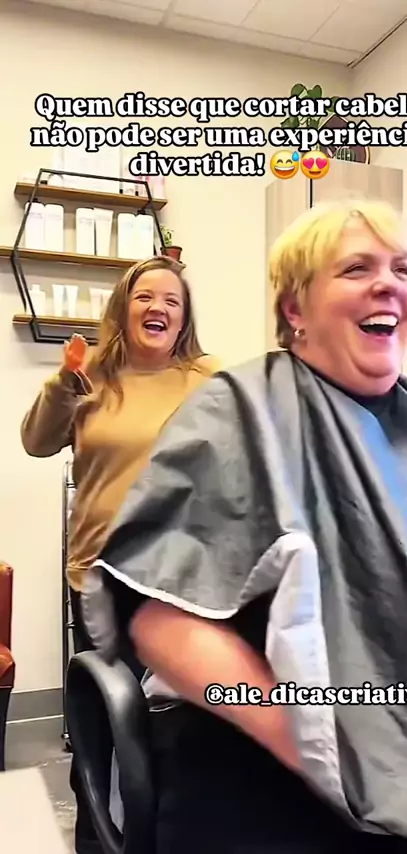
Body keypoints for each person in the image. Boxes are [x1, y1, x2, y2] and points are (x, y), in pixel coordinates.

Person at [86, 199, 407, 853]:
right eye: (356, 268)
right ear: (296, 307)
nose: (388, 285)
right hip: (268, 745)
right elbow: (159, 623)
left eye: (403, 270)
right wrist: (320, 752)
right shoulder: (241, 412)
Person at [20, 254, 221, 854]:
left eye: (171, 300)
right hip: (99, 580)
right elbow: (36, 442)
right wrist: (63, 383)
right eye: (145, 297)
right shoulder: (91, 379)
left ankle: (160, 842)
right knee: (102, 727)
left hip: (179, 584)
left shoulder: (208, 379)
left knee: (171, 732)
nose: (158, 308)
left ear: (184, 318)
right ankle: (94, 842)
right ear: (123, 307)